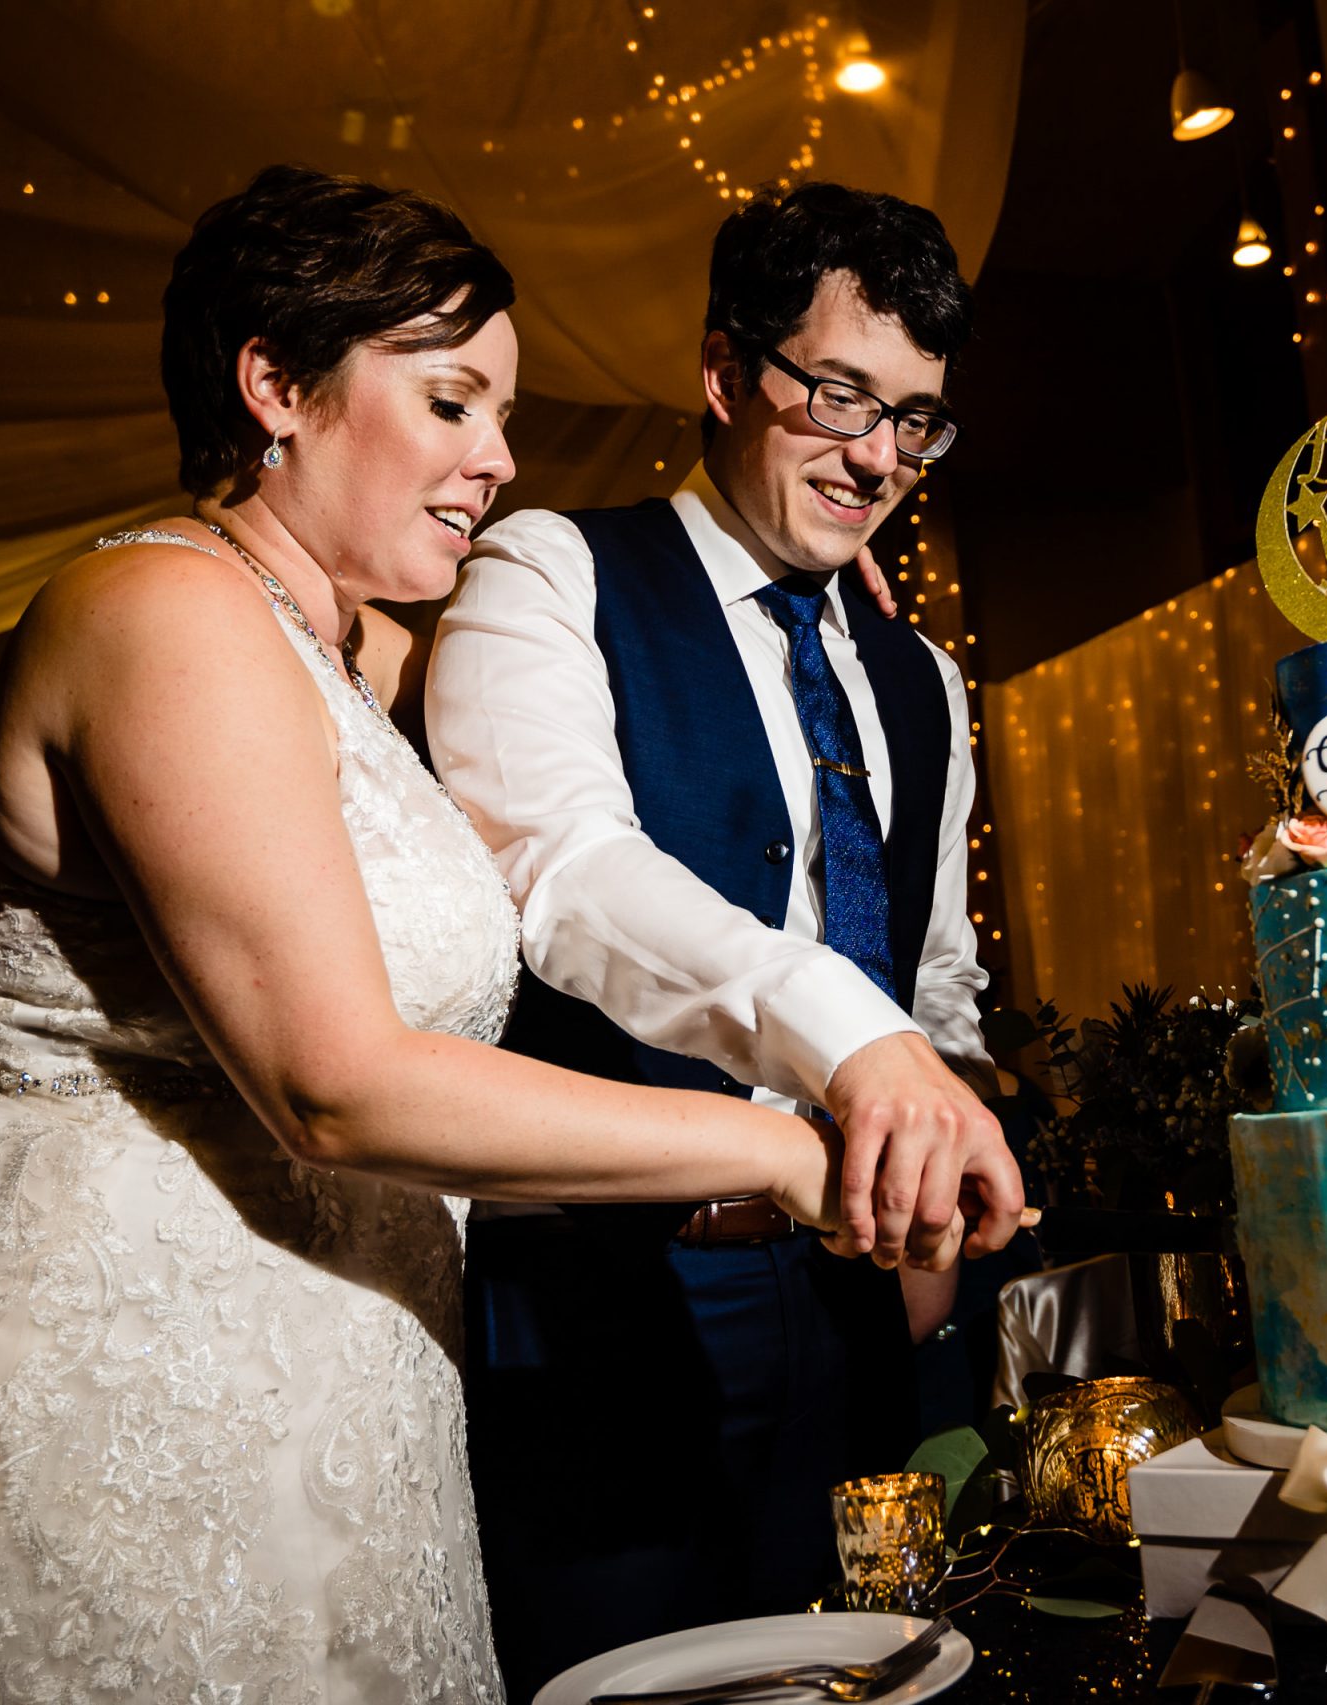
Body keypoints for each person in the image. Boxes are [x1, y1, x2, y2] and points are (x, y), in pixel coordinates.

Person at [0, 165, 1012, 1702]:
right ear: (274, 383)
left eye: (500, 415)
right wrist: (798, 1151)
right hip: (94, 1370)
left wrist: (810, 570)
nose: (502, 459)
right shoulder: (160, 615)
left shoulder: (367, 657)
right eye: (454, 404)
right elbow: (340, 1075)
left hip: (330, 1373)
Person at [427, 182, 1020, 1688]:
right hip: (610, 1307)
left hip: (873, 1297)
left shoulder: (919, 678)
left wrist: (935, 1181)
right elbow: (558, 871)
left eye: (917, 418)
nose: (879, 456)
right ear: (721, 373)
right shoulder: (550, 571)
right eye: (838, 395)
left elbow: (934, 977)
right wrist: (851, 1035)